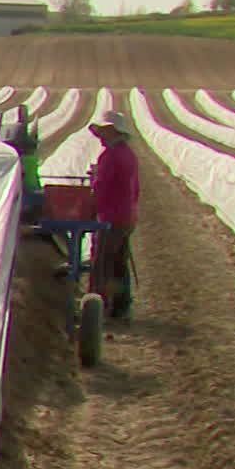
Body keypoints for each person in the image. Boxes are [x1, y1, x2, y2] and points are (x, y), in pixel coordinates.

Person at [88, 109, 140, 319]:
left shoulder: (110, 156)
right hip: (126, 215)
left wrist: (93, 183)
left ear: (113, 132)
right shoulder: (128, 154)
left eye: (103, 133)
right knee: (119, 263)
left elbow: (101, 188)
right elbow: (134, 188)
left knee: (102, 264)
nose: (100, 138)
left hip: (111, 217)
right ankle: (121, 305)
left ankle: (97, 307)